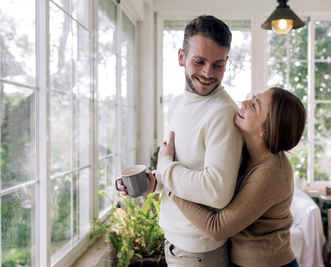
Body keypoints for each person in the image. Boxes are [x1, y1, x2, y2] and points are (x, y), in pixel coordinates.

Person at [120, 15, 243, 267]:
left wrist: (165, 168)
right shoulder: (177, 104)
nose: (208, 73)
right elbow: (181, 167)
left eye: (218, 65)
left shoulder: (223, 112)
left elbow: (216, 191)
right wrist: (154, 181)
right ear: (181, 57)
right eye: (199, 61)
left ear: (227, 62)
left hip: (200, 252)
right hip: (175, 245)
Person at [160, 87, 307, 267]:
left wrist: (171, 187)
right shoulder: (248, 151)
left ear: (266, 131)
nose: (244, 103)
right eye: (253, 98)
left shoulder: (271, 172)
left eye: (254, 106)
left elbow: (218, 228)